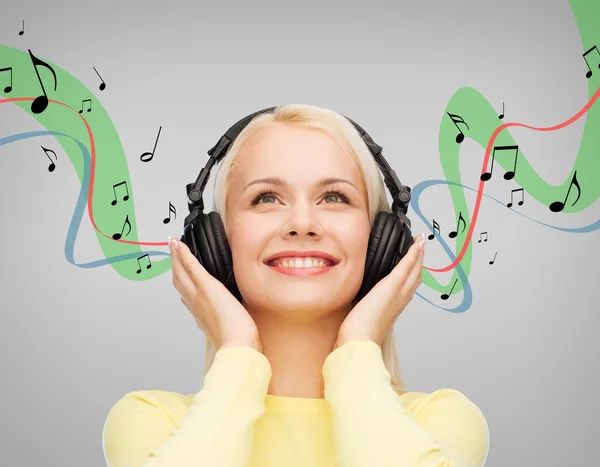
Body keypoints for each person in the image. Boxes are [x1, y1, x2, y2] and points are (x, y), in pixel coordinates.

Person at [102, 104, 490, 467]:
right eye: (266, 198)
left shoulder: (443, 422)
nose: (302, 222)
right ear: (215, 242)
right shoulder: (150, 422)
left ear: (382, 243)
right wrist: (237, 350)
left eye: (334, 197)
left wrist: (358, 347)